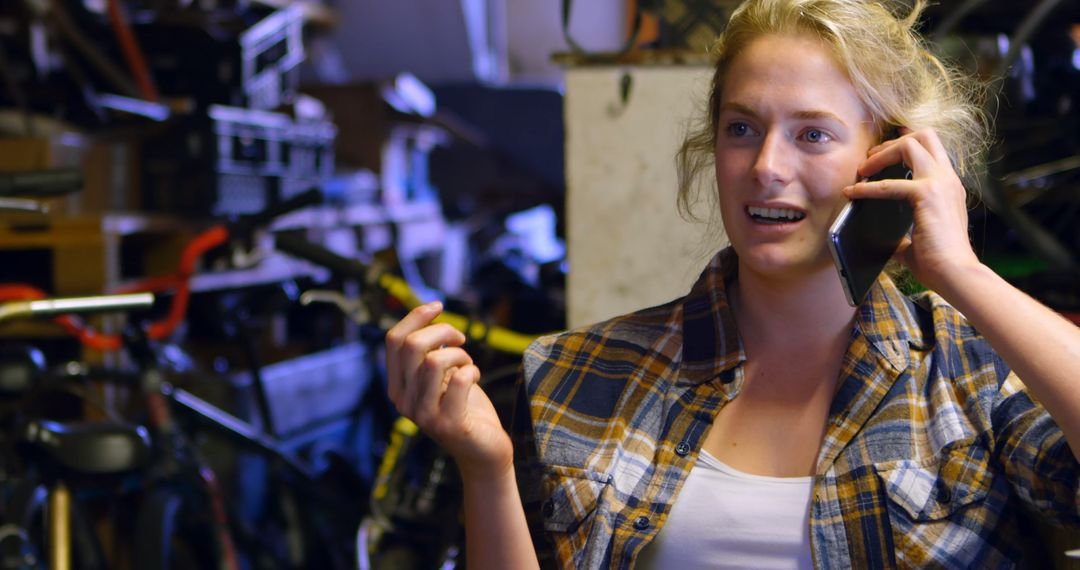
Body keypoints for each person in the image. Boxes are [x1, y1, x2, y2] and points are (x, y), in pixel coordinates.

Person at [385, 0, 1080, 567]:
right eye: (742, 127)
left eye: (813, 135)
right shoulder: (575, 375)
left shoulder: (976, 374)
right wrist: (486, 470)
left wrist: (959, 272)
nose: (766, 166)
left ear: (888, 159)